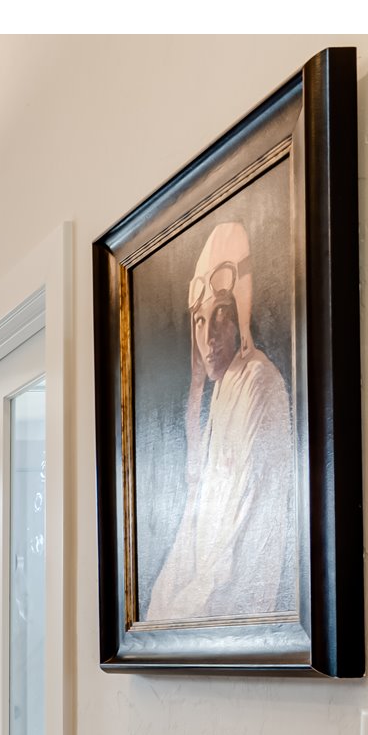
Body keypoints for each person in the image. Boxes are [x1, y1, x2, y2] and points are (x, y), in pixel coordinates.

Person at [143, 220, 297, 623]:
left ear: (241, 313)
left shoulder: (259, 384)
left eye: (221, 315)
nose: (209, 335)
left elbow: (240, 548)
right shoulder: (223, 390)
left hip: (237, 618)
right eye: (199, 320)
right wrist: (155, 615)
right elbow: (191, 532)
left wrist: (173, 619)